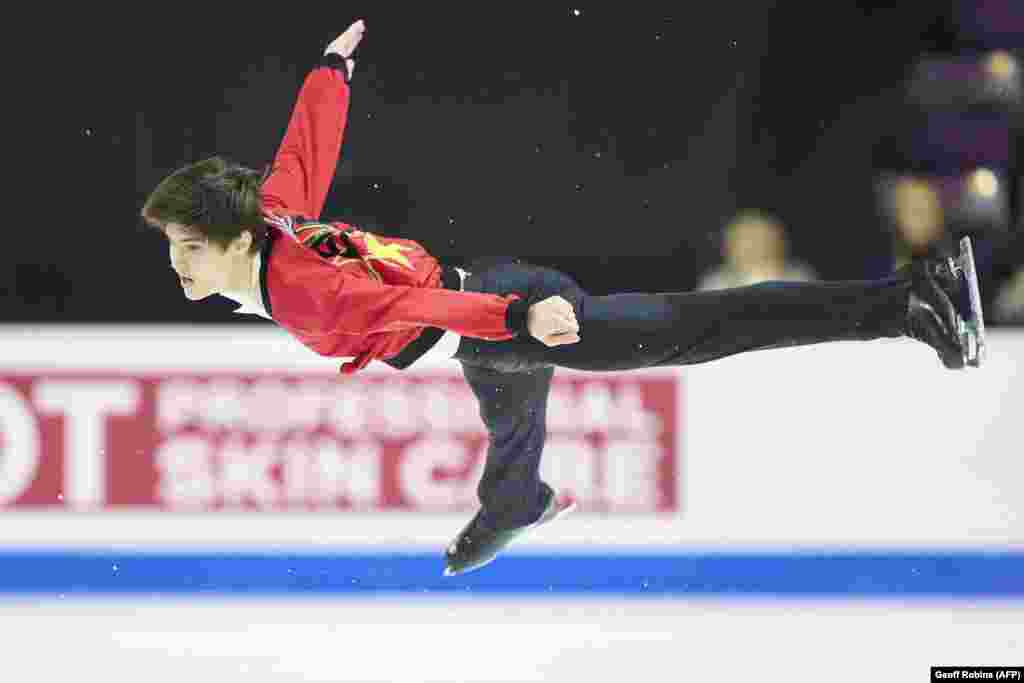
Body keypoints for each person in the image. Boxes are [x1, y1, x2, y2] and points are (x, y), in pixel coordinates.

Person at [140, 21, 983, 576]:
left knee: (702, 327)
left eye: (189, 247)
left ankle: (907, 302)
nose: (178, 264)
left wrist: (518, 321)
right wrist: (332, 70)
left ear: (238, 241)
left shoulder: (304, 295)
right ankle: (515, 502)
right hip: (488, 314)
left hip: (504, 313)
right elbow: (300, 158)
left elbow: (416, 312)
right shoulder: (274, 220)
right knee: (509, 416)